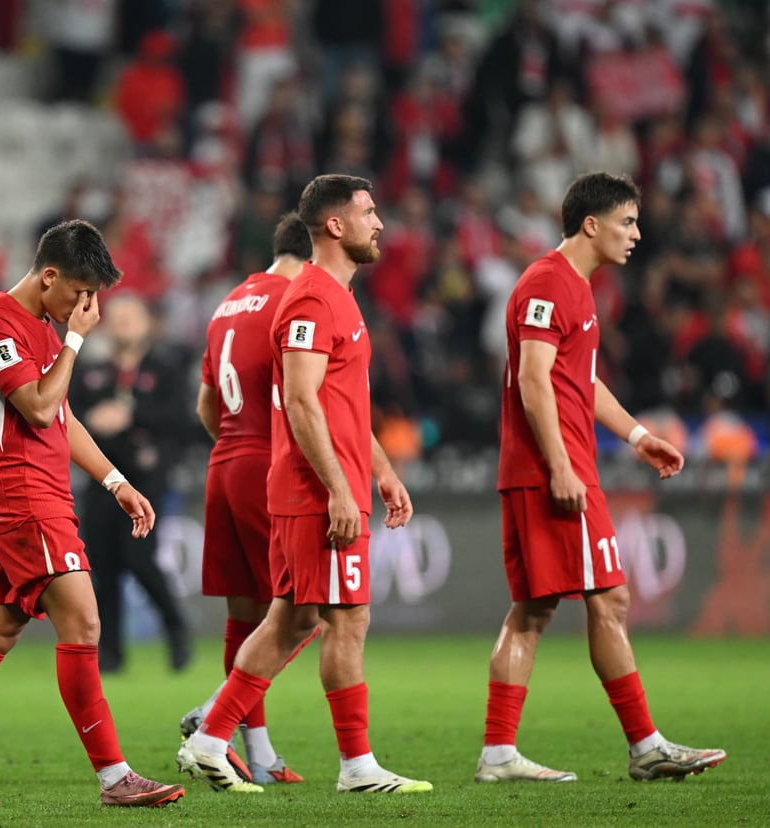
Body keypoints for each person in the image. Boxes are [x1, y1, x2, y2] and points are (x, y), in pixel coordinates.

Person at [0, 219, 185, 809]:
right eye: (82, 294)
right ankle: (115, 778)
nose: (88, 308)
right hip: (22, 492)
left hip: (41, 491)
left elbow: (62, 418)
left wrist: (115, 481)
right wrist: (75, 342)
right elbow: (36, 407)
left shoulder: (41, 328)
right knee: (84, 624)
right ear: (49, 276)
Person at [177, 174, 431, 795]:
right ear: (335, 226)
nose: (380, 223)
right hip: (313, 491)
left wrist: (382, 471)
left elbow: (342, 405)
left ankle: (210, 738)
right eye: (369, 212)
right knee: (346, 619)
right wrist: (341, 489)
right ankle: (357, 766)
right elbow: (299, 398)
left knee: (290, 620)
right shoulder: (312, 298)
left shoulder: (334, 296)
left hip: (303, 481)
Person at [475, 171, 727, 784]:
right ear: (592, 224)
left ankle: (499, 753)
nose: (636, 234)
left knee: (533, 610)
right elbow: (533, 377)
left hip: (546, 467)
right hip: (552, 470)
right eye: (627, 222)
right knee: (609, 598)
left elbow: (577, 381)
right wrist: (561, 465)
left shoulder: (577, 288)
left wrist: (637, 436)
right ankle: (645, 746)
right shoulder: (548, 282)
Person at [177, 212, 314, 786]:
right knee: (307, 610)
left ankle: (259, 754)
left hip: (225, 462)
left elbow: (205, 405)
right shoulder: (297, 300)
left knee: (245, 615)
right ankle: (217, 711)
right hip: (269, 464)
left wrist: (237, 447)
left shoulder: (228, 303)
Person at [68, 292, 192, 674]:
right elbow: (69, 415)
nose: (124, 326)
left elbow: (181, 421)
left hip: (146, 478)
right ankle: (110, 652)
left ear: (146, 324)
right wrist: (94, 418)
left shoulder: (166, 371)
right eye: (118, 319)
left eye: (131, 318)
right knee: (103, 563)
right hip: (103, 479)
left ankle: (175, 626)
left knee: (139, 557)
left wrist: (131, 415)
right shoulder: (92, 372)